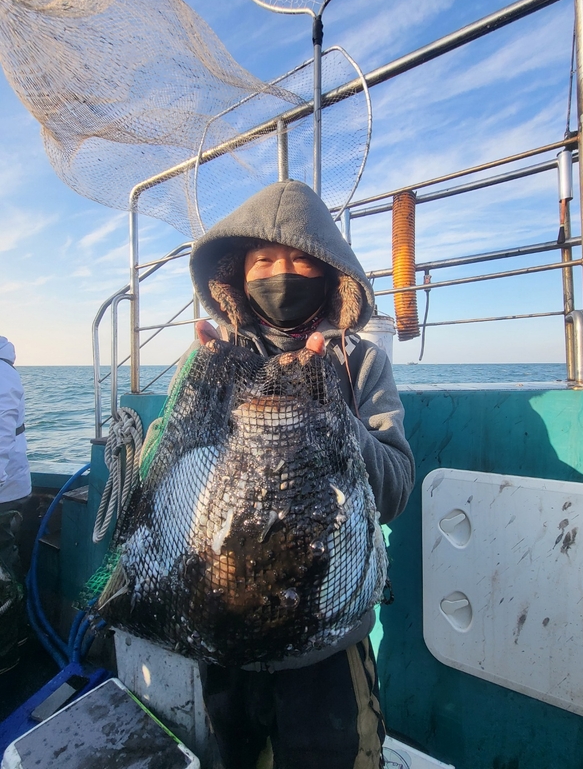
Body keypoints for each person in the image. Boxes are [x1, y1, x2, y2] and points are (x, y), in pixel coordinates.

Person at [187, 179, 415, 769]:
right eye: (263, 260)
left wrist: (331, 418)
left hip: (327, 636)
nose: (280, 273)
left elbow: (395, 488)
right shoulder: (215, 358)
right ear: (237, 275)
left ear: (331, 272)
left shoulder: (360, 362)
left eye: (300, 259)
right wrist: (197, 393)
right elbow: (174, 481)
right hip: (228, 626)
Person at [0, 336, 31, 674]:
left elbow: (1, 431)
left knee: (2, 578)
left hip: (5, 493)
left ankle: (6, 655)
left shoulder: (1, 373)